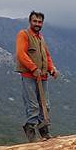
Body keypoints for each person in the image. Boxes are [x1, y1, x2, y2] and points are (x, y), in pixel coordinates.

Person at [15, 10, 59, 141]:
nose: (37, 24)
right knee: (33, 105)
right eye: (35, 21)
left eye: (40, 22)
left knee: (45, 105)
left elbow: (47, 56)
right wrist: (33, 68)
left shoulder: (40, 39)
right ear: (30, 21)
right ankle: (31, 131)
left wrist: (52, 69)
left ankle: (44, 131)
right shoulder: (24, 35)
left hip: (43, 77)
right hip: (29, 76)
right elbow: (21, 54)